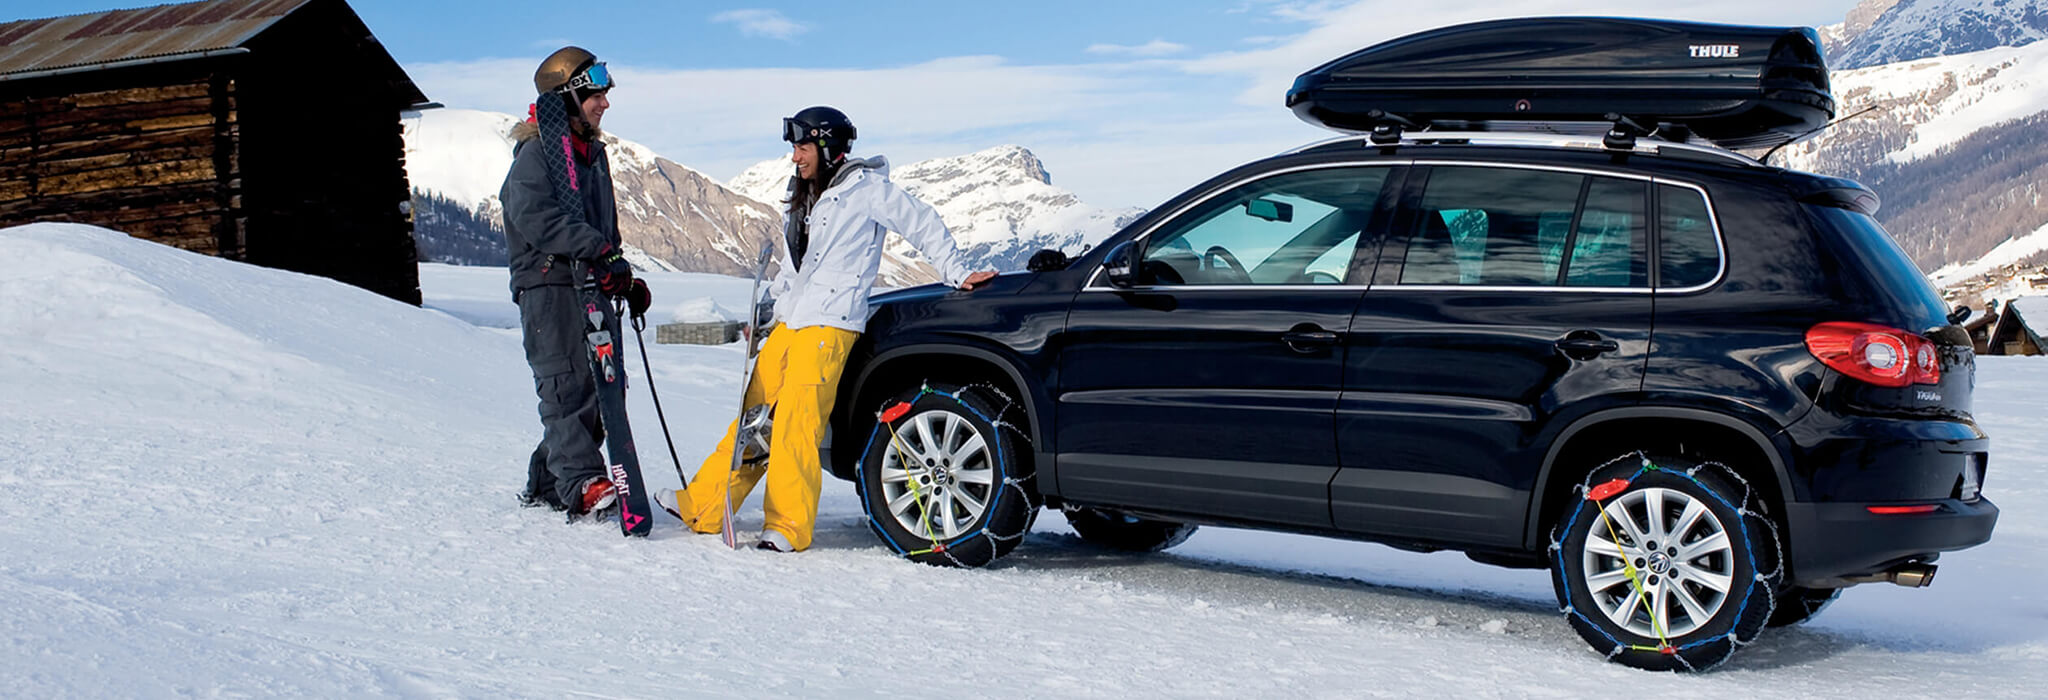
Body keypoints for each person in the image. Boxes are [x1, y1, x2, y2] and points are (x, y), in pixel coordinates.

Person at [678, 106, 997, 552]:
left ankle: (787, 526)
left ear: (828, 148)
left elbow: (921, 223)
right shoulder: (806, 194)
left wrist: (957, 271)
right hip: (792, 320)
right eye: (794, 148)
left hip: (829, 323)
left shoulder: (868, 190)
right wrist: (768, 314)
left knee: (795, 425)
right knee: (754, 417)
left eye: (803, 147)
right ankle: (704, 505)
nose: (795, 157)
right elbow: (794, 269)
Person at [501, 46, 652, 518]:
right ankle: (582, 480)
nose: (604, 104)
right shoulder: (537, 153)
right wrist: (599, 250)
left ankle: (550, 477)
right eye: (594, 96)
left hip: (587, 283)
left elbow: (602, 229)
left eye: (604, 95)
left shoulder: (589, 155)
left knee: (601, 383)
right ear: (566, 99)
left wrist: (619, 272)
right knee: (567, 383)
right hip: (549, 287)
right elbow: (535, 218)